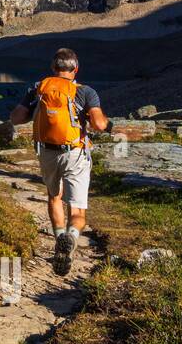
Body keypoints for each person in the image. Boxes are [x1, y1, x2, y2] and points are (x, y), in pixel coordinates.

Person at [7, 48, 113, 276]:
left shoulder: (38, 88)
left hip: (46, 152)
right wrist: (108, 123)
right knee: (77, 208)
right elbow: (98, 124)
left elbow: (16, 118)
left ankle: (58, 241)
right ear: (75, 69)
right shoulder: (84, 91)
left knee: (54, 196)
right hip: (74, 152)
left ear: (53, 69)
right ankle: (71, 237)